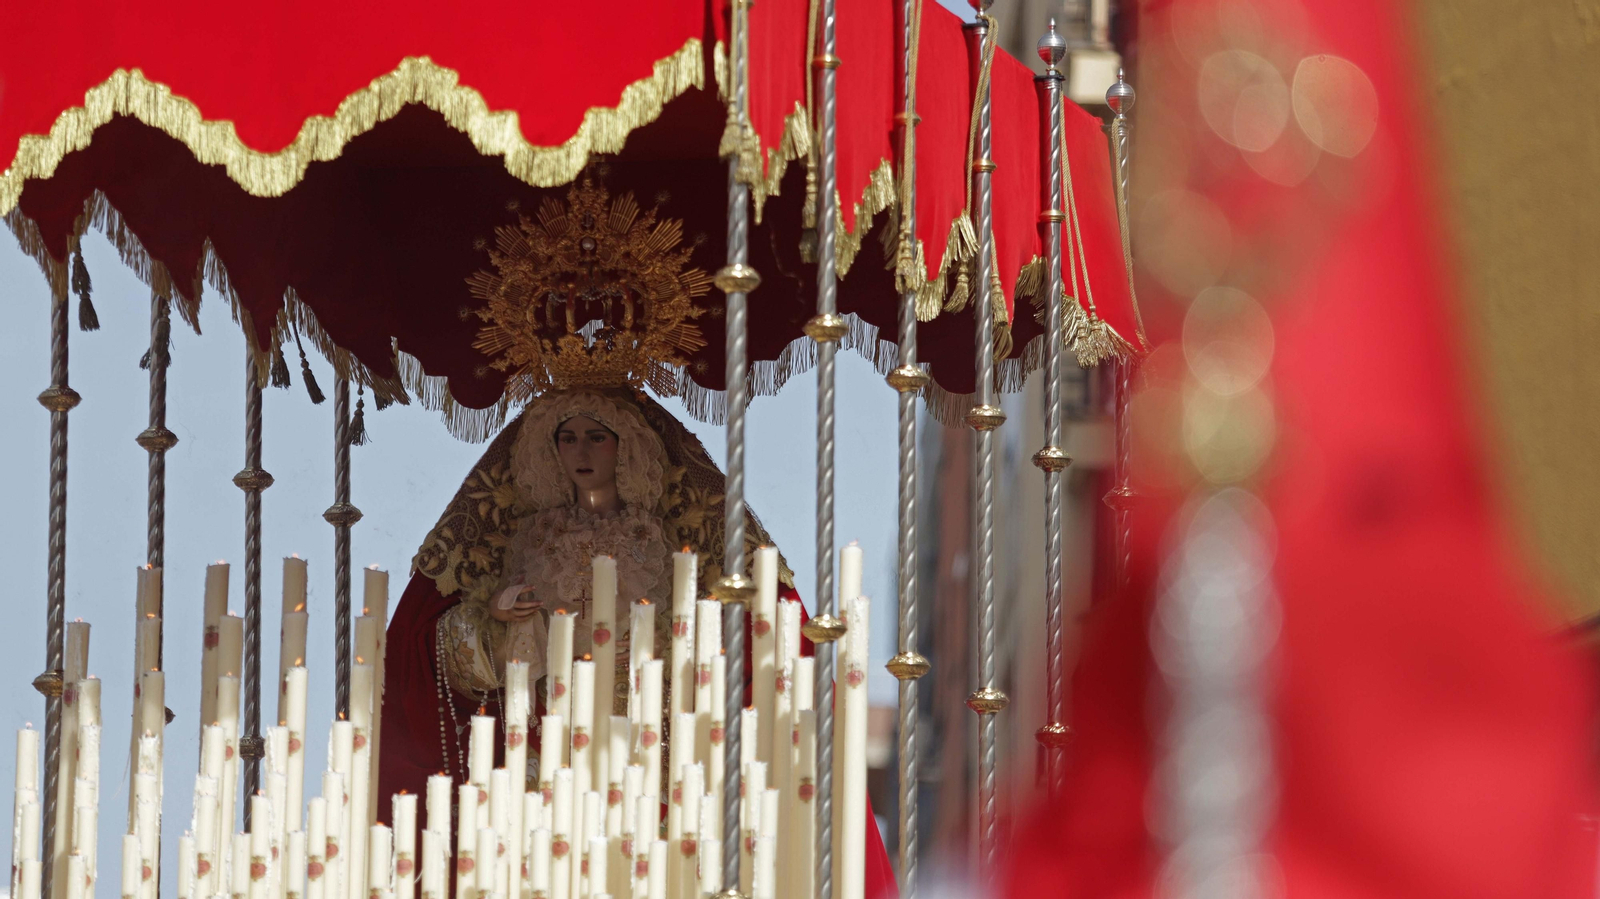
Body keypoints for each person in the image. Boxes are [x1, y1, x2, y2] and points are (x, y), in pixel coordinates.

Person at [377, 386, 897, 898]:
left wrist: (674, 654)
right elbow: (442, 659)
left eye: (596, 437)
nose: (581, 452)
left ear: (624, 446)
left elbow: (713, 640)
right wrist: (498, 619)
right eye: (568, 438)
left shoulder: (658, 543)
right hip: (546, 744)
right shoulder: (529, 542)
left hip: (646, 746)